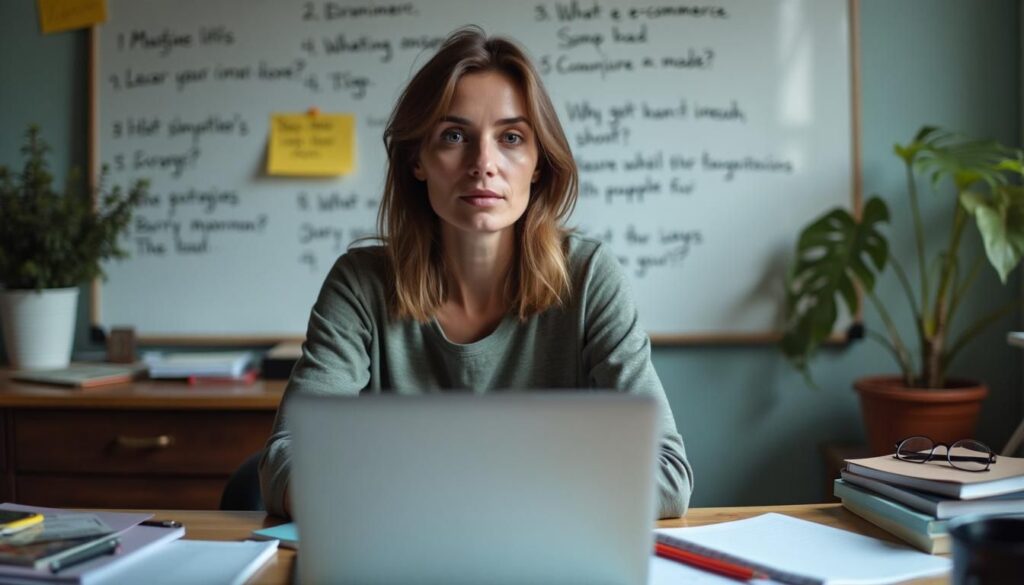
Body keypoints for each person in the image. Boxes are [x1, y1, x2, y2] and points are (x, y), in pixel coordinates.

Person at [258, 26, 693, 519]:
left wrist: (464, 499)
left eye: (511, 138)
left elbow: (668, 475)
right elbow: (284, 460)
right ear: (417, 160)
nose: (483, 163)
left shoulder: (589, 277)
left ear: (537, 165)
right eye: (454, 136)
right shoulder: (361, 283)